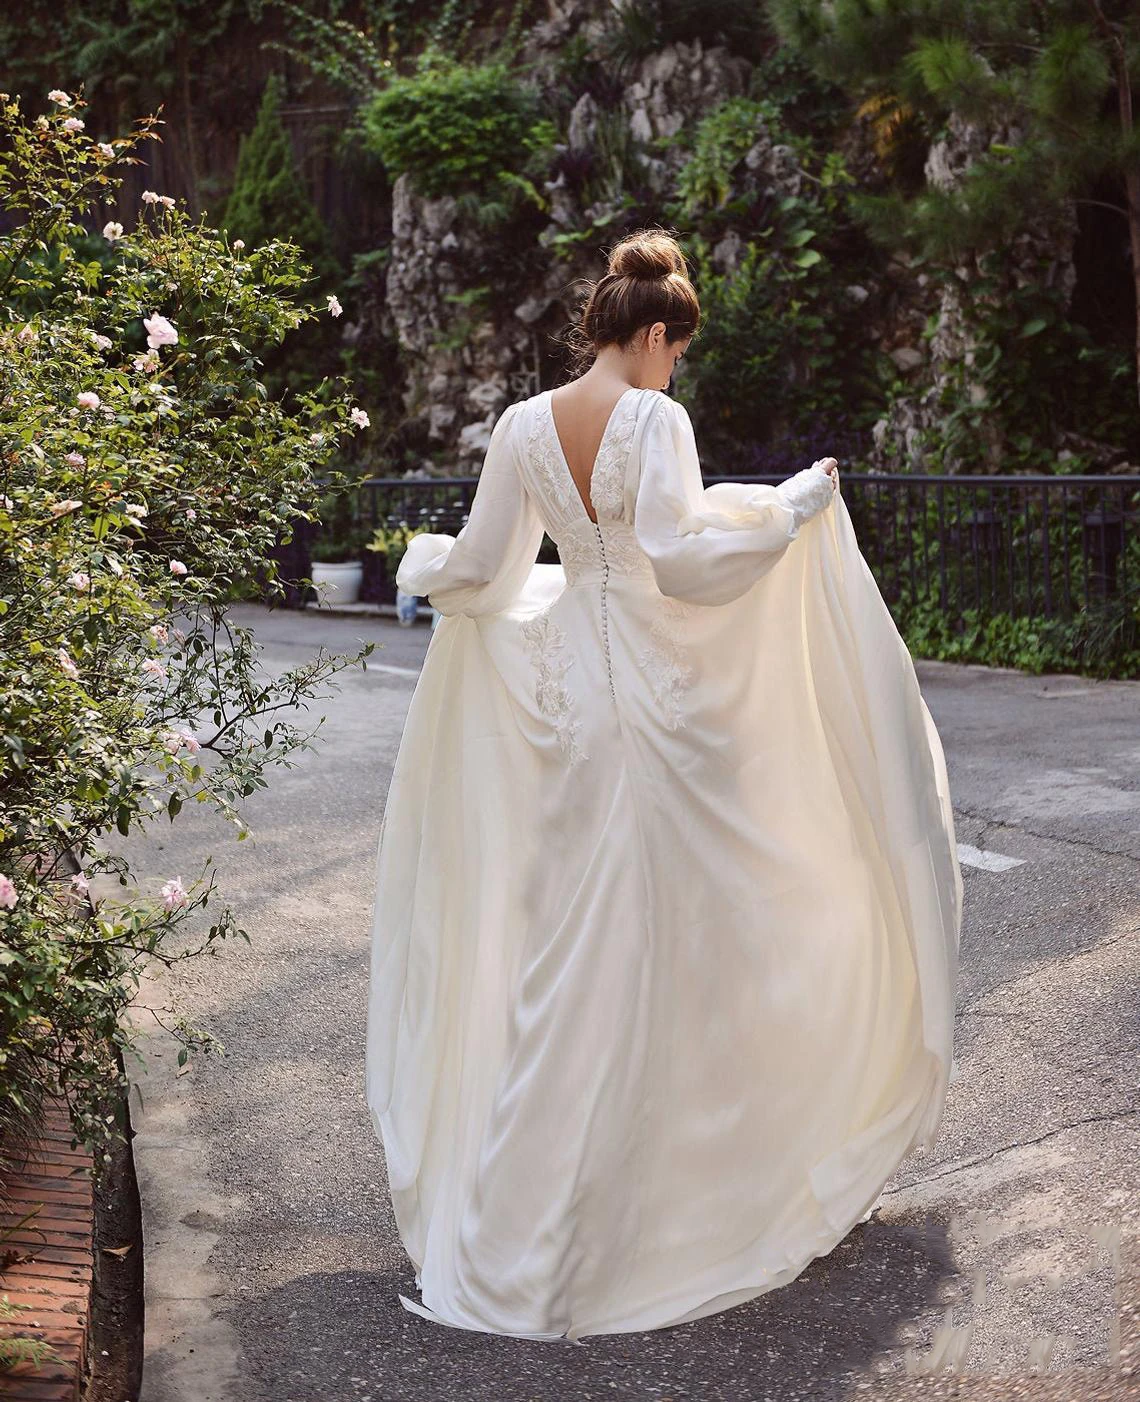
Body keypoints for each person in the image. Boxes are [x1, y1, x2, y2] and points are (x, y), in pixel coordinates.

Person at [364, 228, 963, 1342]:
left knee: (574, 951)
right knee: (727, 923)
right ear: (650, 334)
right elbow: (682, 558)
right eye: (674, 350)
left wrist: (420, 565)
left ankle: (524, 1221)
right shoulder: (653, 417)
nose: (674, 368)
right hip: (663, 706)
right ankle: (691, 1190)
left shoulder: (521, 426)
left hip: (567, 715)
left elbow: (491, 571)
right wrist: (786, 512)